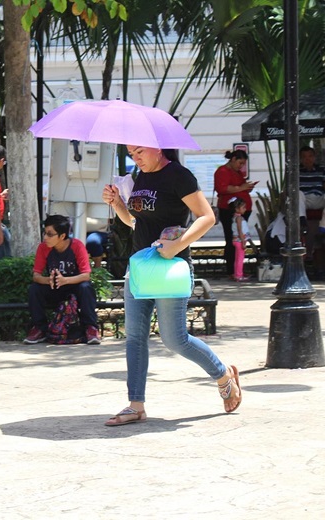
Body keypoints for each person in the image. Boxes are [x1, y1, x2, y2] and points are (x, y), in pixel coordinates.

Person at [101, 145, 241, 426]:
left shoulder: (179, 175)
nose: (135, 157)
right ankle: (135, 405)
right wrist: (118, 204)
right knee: (135, 337)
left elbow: (207, 217)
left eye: (140, 151)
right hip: (140, 267)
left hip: (170, 269)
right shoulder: (139, 177)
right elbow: (134, 222)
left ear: (158, 148)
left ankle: (223, 374)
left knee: (174, 339)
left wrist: (177, 245)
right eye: (131, 153)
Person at [24, 214, 100, 345]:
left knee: (86, 287)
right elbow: (36, 276)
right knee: (34, 289)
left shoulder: (77, 246)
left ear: (62, 236)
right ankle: (39, 328)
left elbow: (86, 275)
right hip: (54, 287)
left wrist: (65, 280)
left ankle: (90, 328)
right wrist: (48, 280)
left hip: (74, 287)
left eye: (50, 234)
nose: (45, 237)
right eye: (45, 233)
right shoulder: (43, 248)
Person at [213, 149, 257, 277]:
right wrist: (241, 188)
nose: (241, 166)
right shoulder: (222, 171)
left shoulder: (236, 172)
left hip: (242, 208)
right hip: (229, 210)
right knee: (232, 238)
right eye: (240, 163)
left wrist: (246, 187)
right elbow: (222, 188)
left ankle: (238, 269)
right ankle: (232, 270)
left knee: (239, 237)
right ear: (233, 159)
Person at [230, 197, 251, 281]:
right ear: (237, 209)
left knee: (238, 258)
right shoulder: (239, 218)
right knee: (240, 259)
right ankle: (239, 275)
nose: (245, 209)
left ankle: (237, 274)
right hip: (239, 240)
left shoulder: (235, 217)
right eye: (243, 207)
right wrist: (243, 241)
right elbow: (240, 230)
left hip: (237, 240)